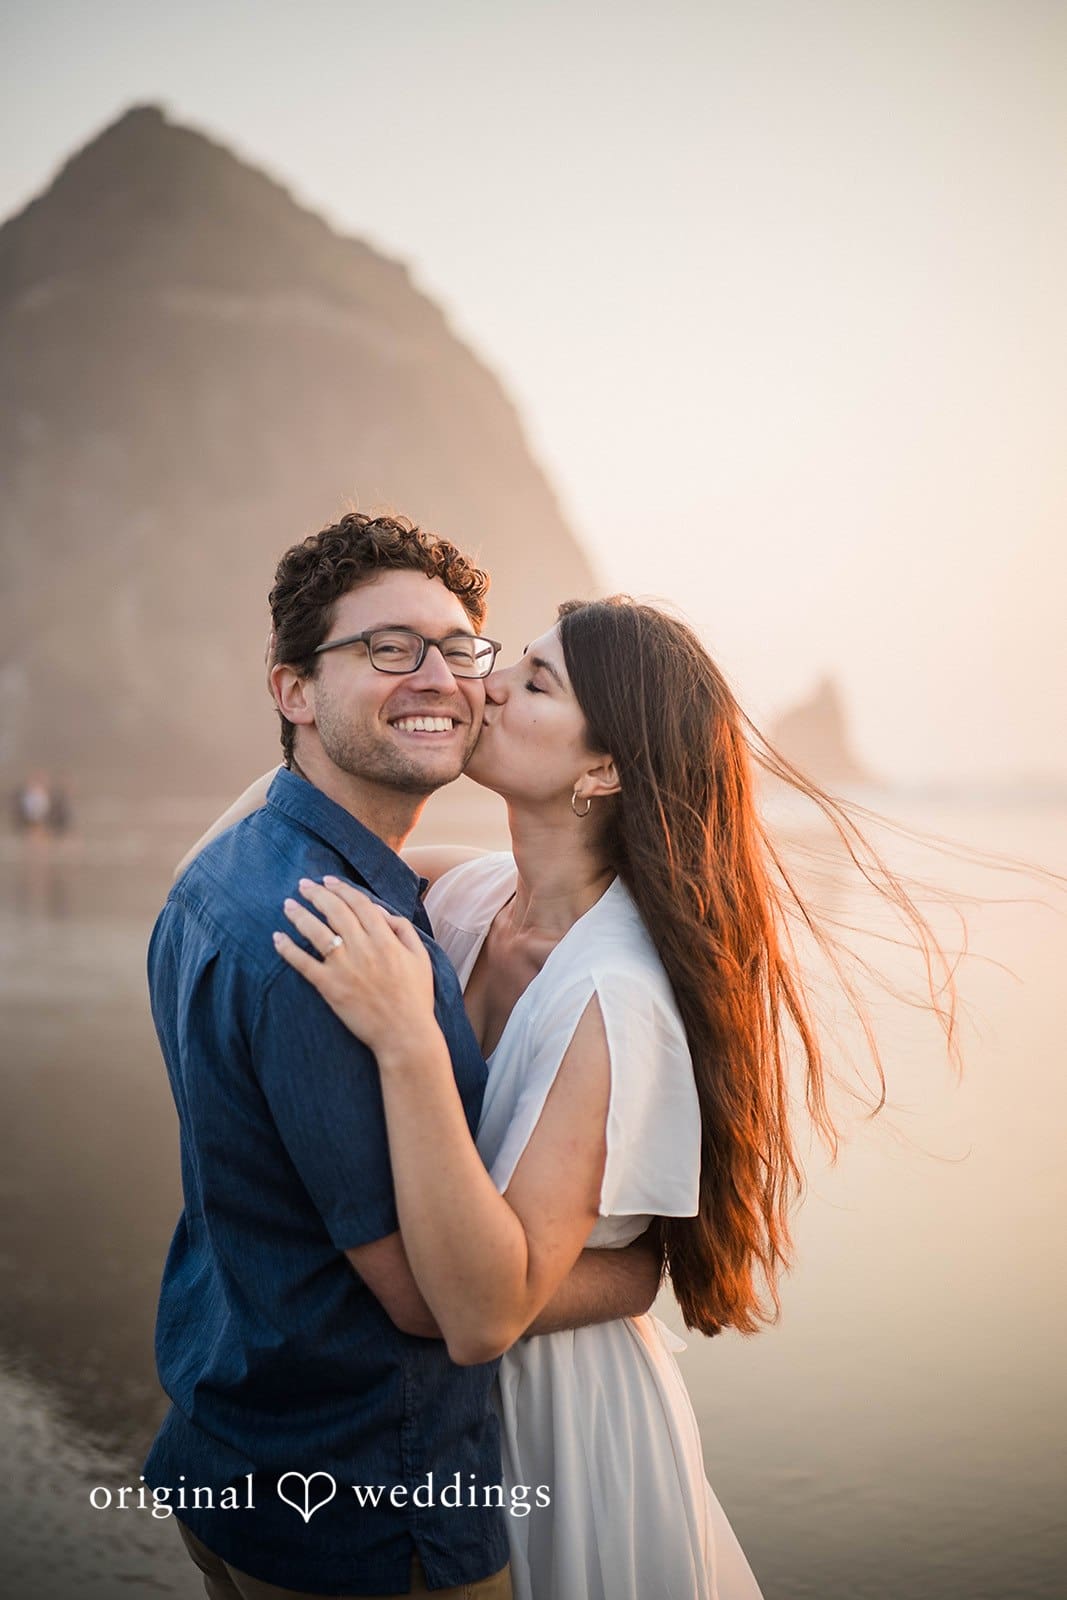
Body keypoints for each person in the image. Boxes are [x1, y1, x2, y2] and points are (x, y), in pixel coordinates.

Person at [145, 514, 658, 1600]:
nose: (445, 680)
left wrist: (319, 744)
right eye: (387, 648)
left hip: (226, 1450)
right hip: (369, 1506)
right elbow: (442, 1307)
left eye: (460, 650)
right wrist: (635, 1270)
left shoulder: (256, 882)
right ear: (290, 690)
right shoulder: (350, 950)